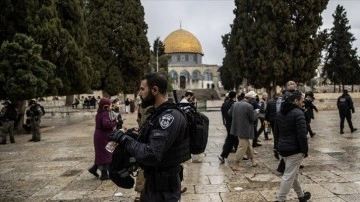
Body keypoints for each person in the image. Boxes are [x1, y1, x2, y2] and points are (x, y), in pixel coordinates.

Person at [112, 72, 189, 201]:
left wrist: (124, 139)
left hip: (164, 193)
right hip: (152, 187)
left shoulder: (169, 117)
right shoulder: (156, 114)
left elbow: (151, 155)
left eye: (142, 89)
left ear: (154, 90)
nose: (139, 93)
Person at [275, 91, 311, 202]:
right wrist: (304, 150)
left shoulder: (280, 112)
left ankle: (301, 196)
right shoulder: (298, 113)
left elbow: (276, 132)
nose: (303, 103)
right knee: (289, 175)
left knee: (293, 173)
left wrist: (277, 146)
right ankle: (281, 199)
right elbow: (302, 134)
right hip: (294, 149)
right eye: (301, 101)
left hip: (283, 148)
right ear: (296, 101)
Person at [228, 91, 258, 171]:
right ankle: (236, 164)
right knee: (242, 147)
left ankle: (253, 160)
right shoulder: (249, 106)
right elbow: (253, 118)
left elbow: (229, 113)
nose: (254, 100)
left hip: (237, 128)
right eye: (254, 99)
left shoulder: (235, 104)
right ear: (251, 99)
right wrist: (256, 112)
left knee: (247, 145)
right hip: (245, 129)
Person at [88, 98, 117, 180]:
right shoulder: (104, 113)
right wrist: (115, 122)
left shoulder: (99, 113)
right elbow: (106, 124)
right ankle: (104, 174)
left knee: (102, 154)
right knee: (107, 153)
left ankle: (94, 168)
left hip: (100, 135)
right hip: (103, 136)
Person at [218, 91, 239, 163]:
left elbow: (223, 114)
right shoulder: (234, 104)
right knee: (231, 139)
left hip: (227, 123)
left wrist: (224, 121)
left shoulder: (225, 104)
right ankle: (223, 155)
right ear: (235, 96)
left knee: (235, 139)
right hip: (233, 124)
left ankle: (239, 155)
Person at [265, 92, 282, 160]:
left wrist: (266, 119)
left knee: (275, 134)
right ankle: (276, 147)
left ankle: (276, 147)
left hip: (271, 119)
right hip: (278, 120)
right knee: (277, 135)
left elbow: (267, 111)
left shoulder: (269, 102)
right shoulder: (280, 102)